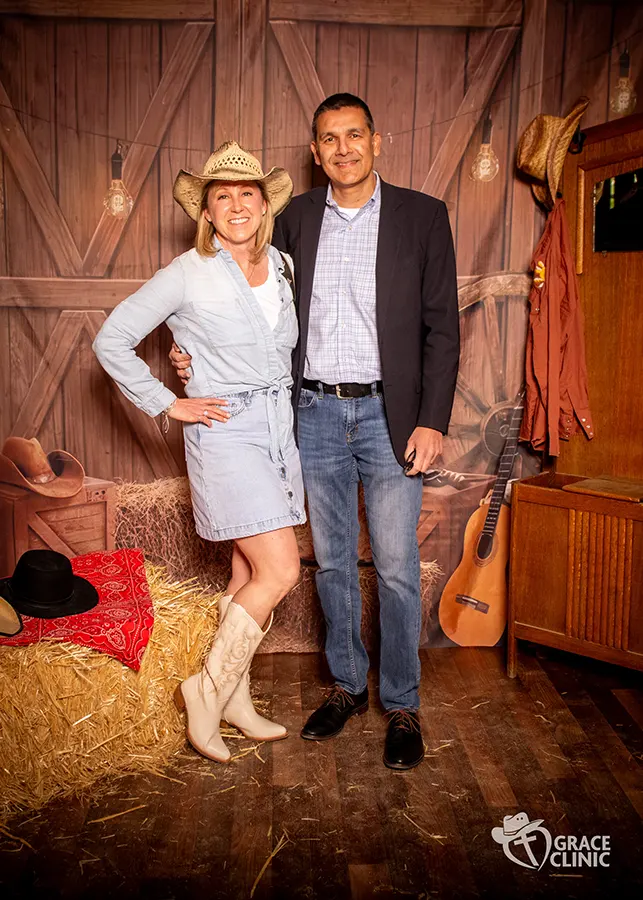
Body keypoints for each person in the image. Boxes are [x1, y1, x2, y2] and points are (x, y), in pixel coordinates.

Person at [171, 94, 459, 770]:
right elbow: (241, 297)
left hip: (392, 417)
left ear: (376, 141)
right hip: (315, 414)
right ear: (315, 151)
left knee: (395, 568)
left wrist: (432, 420)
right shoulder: (294, 218)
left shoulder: (422, 216)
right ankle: (346, 687)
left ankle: (401, 704)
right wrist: (190, 356)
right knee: (330, 563)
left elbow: (442, 327)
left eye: (354, 135)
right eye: (329, 139)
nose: (343, 149)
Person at [93, 141, 305, 765]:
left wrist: (194, 360)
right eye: (223, 197)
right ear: (206, 212)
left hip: (278, 430)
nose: (237, 206)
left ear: (264, 205)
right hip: (226, 432)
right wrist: (169, 401)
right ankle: (206, 691)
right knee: (280, 572)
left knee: (245, 573)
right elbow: (112, 340)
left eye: (248, 194)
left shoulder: (285, 267)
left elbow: (271, 350)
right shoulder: (187, 271)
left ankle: (235, 699)